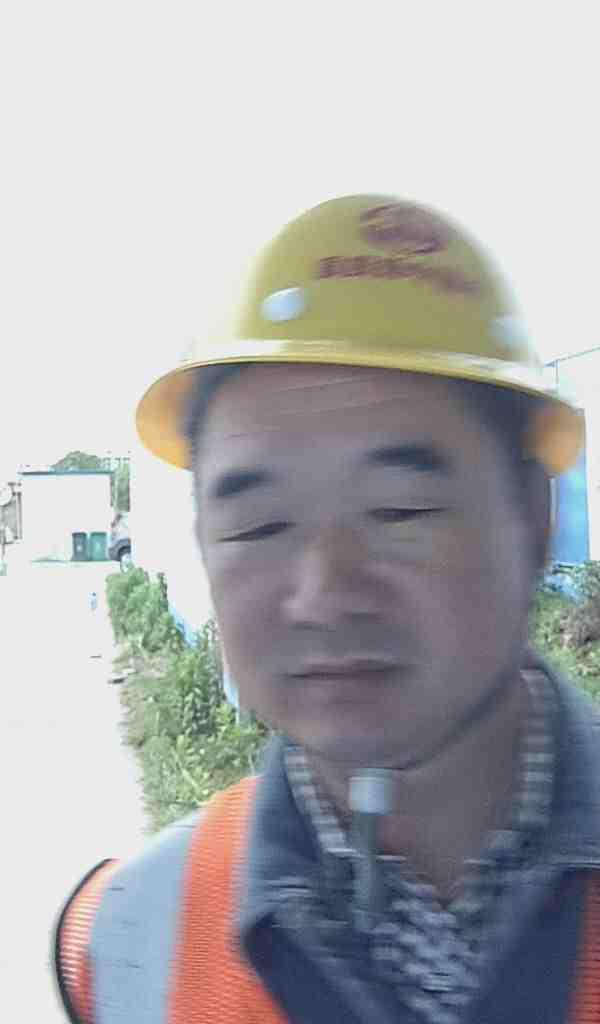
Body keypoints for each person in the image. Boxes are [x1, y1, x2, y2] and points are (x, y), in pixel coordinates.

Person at [54, 195, 599, 1024]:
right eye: (259, 525)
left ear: (531, 516)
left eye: (399, 511)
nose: (323, 593)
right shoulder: (127, 943)